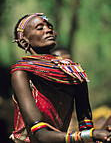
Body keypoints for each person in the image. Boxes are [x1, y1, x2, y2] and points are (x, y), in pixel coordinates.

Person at [10, 13, 111, 143]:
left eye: (50, 27)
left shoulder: (73, 72)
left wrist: (98, 135)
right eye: (40, 28)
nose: (48, 30)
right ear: (25, 43)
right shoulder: (21, 73)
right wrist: (91, 135)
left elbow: (85, 124)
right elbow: (40, 135)